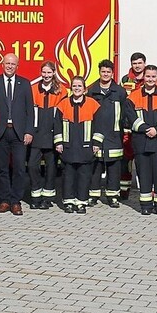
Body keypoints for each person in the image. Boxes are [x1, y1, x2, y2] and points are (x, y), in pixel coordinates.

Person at [125, 65, 157, 216]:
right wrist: (147, 129)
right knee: (144, 174)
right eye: (148, 76)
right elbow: (131, 118)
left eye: (153, 77)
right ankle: (145, 205)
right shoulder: (132, 96)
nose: (150, 79)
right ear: (143, 77)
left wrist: (156, 130)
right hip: (141, 141)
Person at [0, 53, 33, 215]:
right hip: (1, 133)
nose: (9, 66)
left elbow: (30, 111)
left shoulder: (25, 84)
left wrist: (29, 131)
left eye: (13, 64)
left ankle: (16, 201)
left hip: (19, 133)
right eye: (7, 63)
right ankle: (4, 201)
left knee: (20, 168)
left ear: (17, 66)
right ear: (2, 64)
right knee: (1, 168)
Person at [54, 76, 102, 214]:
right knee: (68, 176)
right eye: (74, 86)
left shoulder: (93, 104)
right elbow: (57, 125)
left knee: (84, 176)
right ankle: (68, 202)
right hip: (68, 147)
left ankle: (81, 202)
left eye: (79, 86)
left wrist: (97, 143)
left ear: (85, 89)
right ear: (70, 88)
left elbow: (100, 125)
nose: (77, 89)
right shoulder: (63, 104)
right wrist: (58, 142)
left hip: (86, 147)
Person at [119, 52, 157, 199]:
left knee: (145, 162)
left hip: (148, 128)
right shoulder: (125, 79)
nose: (137, 66)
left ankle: (148, 190)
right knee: (126, 160)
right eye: (134, 63)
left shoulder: (152, 78)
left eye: (139, 63)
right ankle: (124, 190)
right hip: (128, 127)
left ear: (144, 64)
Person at [86, 59, 127, 208]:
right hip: (95, 134)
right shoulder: (91, 90)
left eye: (108, 72)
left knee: (113, 168)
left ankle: (112, 196)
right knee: (95, 167)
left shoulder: (120, 92)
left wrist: (124, 131)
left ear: (112, 73)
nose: (105, 74)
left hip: (114, 135)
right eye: (103, 71)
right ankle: (93, 195)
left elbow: (125, 114)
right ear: (99, 72)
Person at [28, 61, 66, 209]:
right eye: (44, 72)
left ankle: (47, 198)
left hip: (52, 135)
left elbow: (63, 115)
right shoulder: (33, 89)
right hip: (37, 135)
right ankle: (35, 195)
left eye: (49, 72)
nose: (46, 75)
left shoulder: (62, 91)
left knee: (51, 168)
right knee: (32, 166)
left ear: (54, 73)